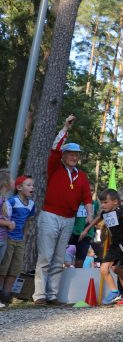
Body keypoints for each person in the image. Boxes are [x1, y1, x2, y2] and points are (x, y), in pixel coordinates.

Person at [33, 114, 93, 306]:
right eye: (71, 154)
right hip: (50, 215)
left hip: (68, 219)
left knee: (59, 258)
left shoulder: (81, 176)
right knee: (45, 256)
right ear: (64, 156)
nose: (75, 157)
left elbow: (87, 198)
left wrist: (90, 214)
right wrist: (65, 129)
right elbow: (55, 148)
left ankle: (52, 295)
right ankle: (39, 296)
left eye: (77, 155)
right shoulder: (54, 167)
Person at [0, 175, 35, 304]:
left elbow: (27, 221)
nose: (32, 187)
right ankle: (1, 292)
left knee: (15, 267)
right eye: (28, 185)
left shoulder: (31, 204)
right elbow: (5, 215)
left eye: (33, 185)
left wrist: (24, 235)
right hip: (8, 238)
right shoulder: (12, 201)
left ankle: (6, 294)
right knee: (4, 265)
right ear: (19, 188)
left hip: (20, 239)